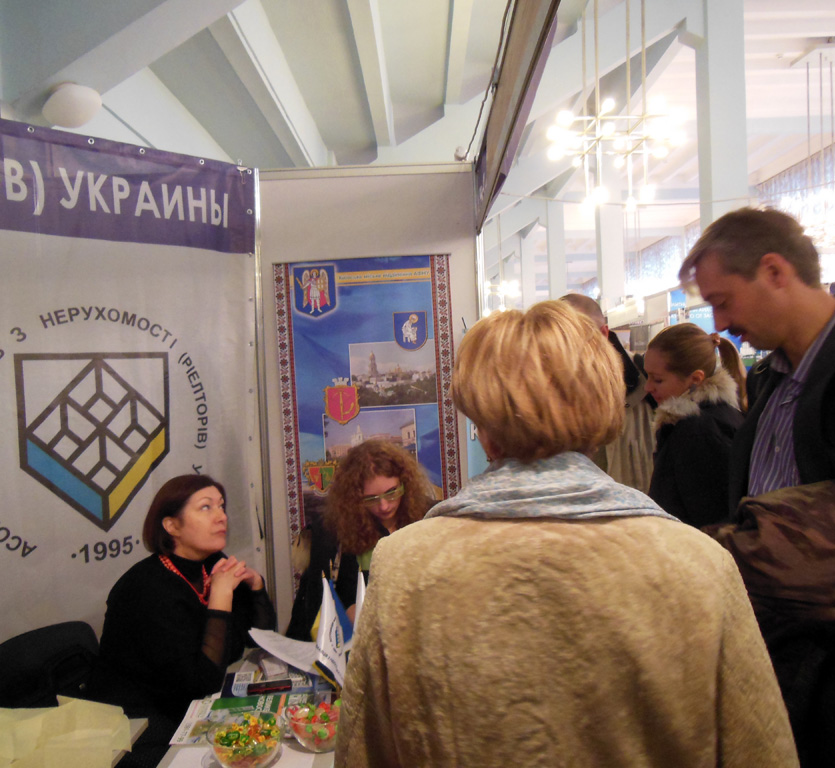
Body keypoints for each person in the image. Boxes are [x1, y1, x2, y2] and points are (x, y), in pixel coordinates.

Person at [335, 301, 797, 768]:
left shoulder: (405, 567)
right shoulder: (699, 563)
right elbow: (760, 749)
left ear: (483, 429)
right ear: (604, 408)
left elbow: (362, 753)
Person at [680, 206, 835, 767]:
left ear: (773, 271)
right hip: (785, 657)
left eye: (723, 300)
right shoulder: (772, 377)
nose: (720, 324)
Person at [88, 474, 275, 767]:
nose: (221, 517)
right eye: (206, 507)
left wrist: (256, 586)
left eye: (221, 506)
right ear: (172, 526)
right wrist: (221, 596)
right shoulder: (146, 588)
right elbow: (201, 681)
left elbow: (260, 637)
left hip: (187, 706)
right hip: (138, 725)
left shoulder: (210, 563)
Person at [285, 440, 433, 641]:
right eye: (371, 498)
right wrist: (346, 611)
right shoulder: (333, 531)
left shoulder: (429, 518)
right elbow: (319, 601)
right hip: (357, 642)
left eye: (392, 492)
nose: (384, 506)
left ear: (405, 483)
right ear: (354, 497)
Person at [644, 323, 746, 527]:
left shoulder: (698, 431)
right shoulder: (713, 418)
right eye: (647, 376)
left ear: (696, 379)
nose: (648, 387)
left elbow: (710, 518)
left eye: (658, 380)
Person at [559, 293, 656, 492]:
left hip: (642, 508)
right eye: (560, 339)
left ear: (603, 333)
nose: (567, 349)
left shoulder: (649, 382)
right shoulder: (546, 394)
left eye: (578, 337)